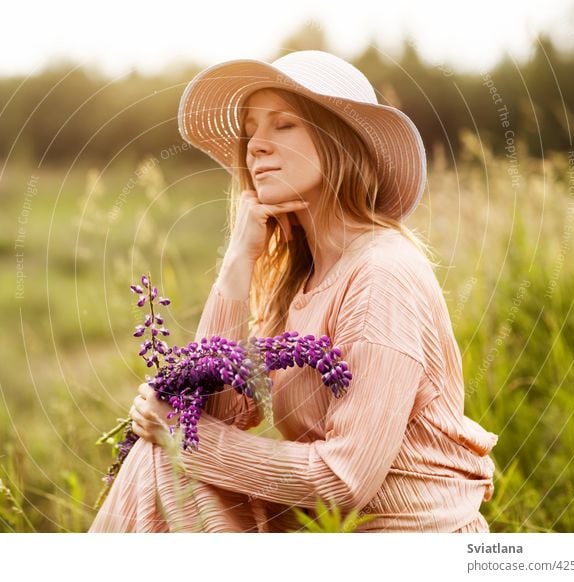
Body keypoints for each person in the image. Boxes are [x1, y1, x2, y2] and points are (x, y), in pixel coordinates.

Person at [89, 50, 498, 533]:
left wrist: (182, 437)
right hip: (327, 529)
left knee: (169, 457)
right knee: (161, 459)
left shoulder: (383, 273)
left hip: (404, 537)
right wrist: (239, 260)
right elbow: (218, 411)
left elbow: (347, 479)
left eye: (283, 125)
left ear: (339, 144)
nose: (256, 145)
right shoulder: (300, 282)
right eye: (251, 129)